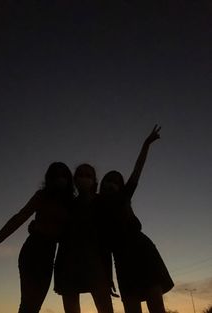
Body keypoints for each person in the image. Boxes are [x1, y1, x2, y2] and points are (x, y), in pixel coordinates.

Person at [0, 162, 74, 313]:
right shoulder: (42, 196)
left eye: (63, 175)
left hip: (49, 255)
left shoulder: (71, 203)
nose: (60, 179)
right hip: (32, 251)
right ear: (50, 178)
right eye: (56, 175)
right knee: (28, 304)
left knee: (35, 306)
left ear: (68, 179)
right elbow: (18, 219)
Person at [99, 125, 174, 313]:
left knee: (156, 307)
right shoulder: (96, 209)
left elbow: (138, 168)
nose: (111, 184)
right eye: (107, 180)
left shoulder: (124, 197)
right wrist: (108, 277)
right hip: (123, 262)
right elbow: (103, 249)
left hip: (144, 253)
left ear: (121, 186)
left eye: (115, 181)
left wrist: (146, 144)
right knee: (131, 308)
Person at [54, 163, 115, 313]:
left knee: (105, 308)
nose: (84, 178)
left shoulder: (102, 203)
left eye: (88, 175)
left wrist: (108, 275)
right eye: (80, 174)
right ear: (74, 180)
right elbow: (60, 235)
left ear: (95, 181)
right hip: (68, 265)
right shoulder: (68, 205)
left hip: (96, 265)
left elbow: (107, 240)